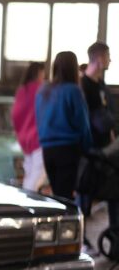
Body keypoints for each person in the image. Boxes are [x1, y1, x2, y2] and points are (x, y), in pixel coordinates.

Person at [36, 51, 92, 202]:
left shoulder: (43, 91)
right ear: (73, 68)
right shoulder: (73, 91)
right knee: (66, 199)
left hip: (47, 151)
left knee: (57, 196)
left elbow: (39, 120)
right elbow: (83, 124)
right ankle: (68, 225)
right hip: (68, 151)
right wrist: (88, 149)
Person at [80, 41, 118, 229]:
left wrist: (111, 131)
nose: (110, 60)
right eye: (108, 56)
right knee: (84, 194)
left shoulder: (101, 84)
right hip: (90, 149)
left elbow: (108, 112)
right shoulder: (84, 85)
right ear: (100, 58)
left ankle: (113, 235)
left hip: (104, 147)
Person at [12, 61, 46, 192]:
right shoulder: (41, 89)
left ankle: (26, 199)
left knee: (29, 172)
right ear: (38, 73)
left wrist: (21, 132)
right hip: (38, 139)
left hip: (24, 140)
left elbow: (15, 114)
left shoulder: (21, 90)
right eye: (43, 72)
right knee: (37, 174)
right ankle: (28, 200)